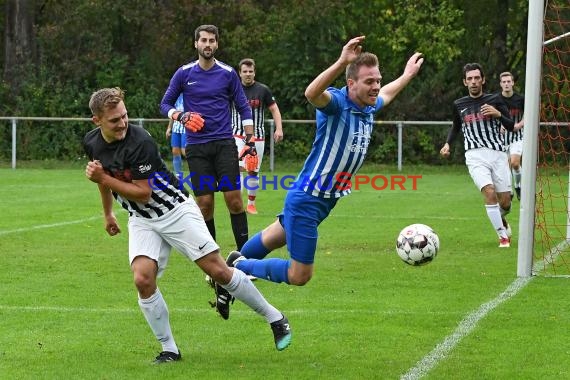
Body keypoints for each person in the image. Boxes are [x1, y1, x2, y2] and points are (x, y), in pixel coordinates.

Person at [83, 88, 292, 363]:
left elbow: (142, 192)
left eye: (124, 116)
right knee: (142, 279)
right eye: (114, 120)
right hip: (143, 220)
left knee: (219, 271)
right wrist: (108, 214)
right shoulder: (91, 142)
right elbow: (103, 177)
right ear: (97, 121)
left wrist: (103, 179)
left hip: (175, 210)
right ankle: (170, 349)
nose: (122, 123)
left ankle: (276, 318)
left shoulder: (140, 141)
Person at [220, 36, 423, 299]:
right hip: (309, 198)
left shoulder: (368, 107)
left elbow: (387, 93)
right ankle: (237, 268)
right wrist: (342, 61)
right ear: (351, 83)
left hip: (322, 200)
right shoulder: (337, 104)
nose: (376, 86)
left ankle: (232, 271)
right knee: (299, 275)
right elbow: (312, 93)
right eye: (369, 81)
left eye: (378, 80)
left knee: (273, 237)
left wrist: (407, 74)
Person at [159, 24, 255, 318]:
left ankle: (247, 261)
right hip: (197, 148)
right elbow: (164, 104)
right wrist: (181, 114)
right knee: (204, 204)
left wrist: (249, 140)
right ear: (196, 43)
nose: (208, 44)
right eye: (203, 40)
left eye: (212, 40)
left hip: (224, 144)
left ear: (217, 43)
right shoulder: (184, 73)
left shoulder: (227, 74)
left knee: (234, 200)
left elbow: (243, 106)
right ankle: (214, 263)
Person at [440, 63, 515, 248]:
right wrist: (447, 143)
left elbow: (511, 126)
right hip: (474, 156)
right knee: (489, 192)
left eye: (476, 78)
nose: (473, 82)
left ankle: (501, 218)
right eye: (470, 79)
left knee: (505, 202)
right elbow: (456, 126)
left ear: (483, 79)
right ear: (465, 82)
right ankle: (502, 237)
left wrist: (498, 114)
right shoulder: (459, 104)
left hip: (497, 154)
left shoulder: (496, 99)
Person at [232, 58, 284, 215]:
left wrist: (279, 129)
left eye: (250, 71)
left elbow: (274, 109)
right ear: (239, 73)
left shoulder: (263, 90)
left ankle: (251, 204)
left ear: (254, 72)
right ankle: (238, 203)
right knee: (238, 168)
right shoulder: (232, 89)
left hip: (257, 137)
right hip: (237, 134)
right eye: (245, 71)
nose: (248, 74)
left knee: (253, 170)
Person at [498, 71, 525, 200]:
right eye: (504, 82)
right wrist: (499, 126)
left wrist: (519, 125)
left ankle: (518, 186)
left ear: (513, 83)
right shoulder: (496, 100)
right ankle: (509, 191)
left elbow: (529, 114)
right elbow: (491, 115)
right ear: (501, 84)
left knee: (514, 163)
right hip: (502, 138)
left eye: (509, 81)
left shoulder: (521, 99)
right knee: (505, 166)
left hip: (517, 137)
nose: (507, 84)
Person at [165, 94, 186, 174]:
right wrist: (169, 128)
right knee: (175, 151)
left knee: (185, 151)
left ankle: (199, 170)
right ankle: (178, 177)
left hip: (186, 127)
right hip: (176, 127)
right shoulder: (175, 95)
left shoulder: (189, 93)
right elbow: (172, 113)